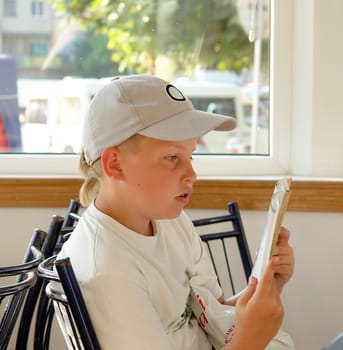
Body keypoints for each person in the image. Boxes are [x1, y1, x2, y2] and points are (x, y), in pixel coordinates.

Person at [57, 74, 295, 350]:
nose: (192, 174)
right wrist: (251, 338)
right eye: (172, 157)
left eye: (191, 155)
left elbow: (211, 313)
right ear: (115, 163)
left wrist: (266, 286)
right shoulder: (106, 270)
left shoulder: (171, 221)